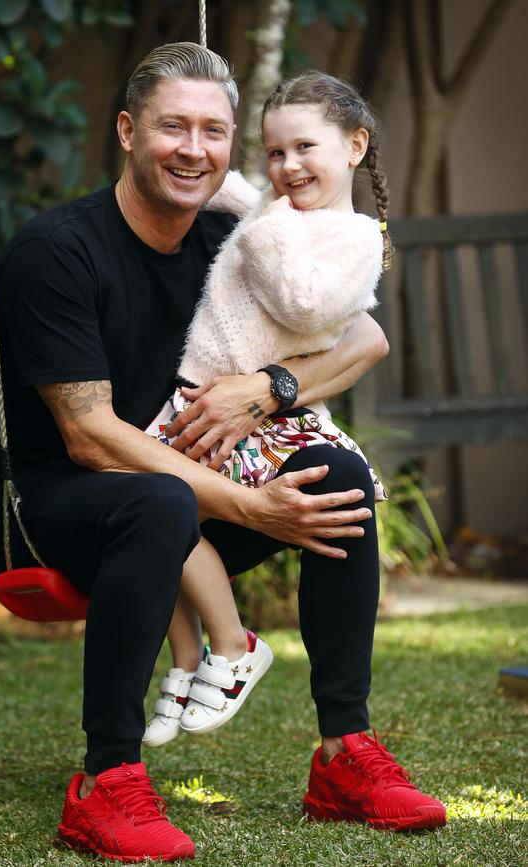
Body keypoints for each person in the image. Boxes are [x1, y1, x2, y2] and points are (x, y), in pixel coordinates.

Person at [0, 42, 444, 863]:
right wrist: (252, 507)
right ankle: (106, 779)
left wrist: (269, 388)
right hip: (49, 503)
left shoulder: (234, 232)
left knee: (343, 475)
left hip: (178, 481)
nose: (194, 149)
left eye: (213, 131)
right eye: (171, 127)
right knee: (159, 500)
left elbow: (365, 335)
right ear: (126, 130)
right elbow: (90, 436)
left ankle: (343, 755)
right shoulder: (58, 251)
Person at [142, 71, 390, 749]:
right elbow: (232, 188)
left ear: (354, 147)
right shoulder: (277, 213)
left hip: (267, 422)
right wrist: (192, 154)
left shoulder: (352, 238)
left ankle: (237, 648)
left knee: (162, 500)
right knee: (141, 505)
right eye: (275, 152)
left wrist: (266, 223)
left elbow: (304, 304)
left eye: (305, 147)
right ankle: (191, 658)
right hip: (197, 400)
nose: (287, 167)